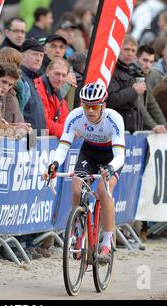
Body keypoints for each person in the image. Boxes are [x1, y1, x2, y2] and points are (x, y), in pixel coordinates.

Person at [45, 82, 126, 263]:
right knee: (76, 189)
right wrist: (55, 163)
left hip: (111, 157)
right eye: (86, 105)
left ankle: (106, 242)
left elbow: (120, 154)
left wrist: (111, 168)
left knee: (104, 193)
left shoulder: (114, 119)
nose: (90, 110)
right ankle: (80, 232)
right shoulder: (75, 116)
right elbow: (63, 146)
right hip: (89, 153)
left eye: (95, 106)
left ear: (103, 105)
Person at [106, 35, 145, 134]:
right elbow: (111, 100)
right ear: (118, 49)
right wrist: (133, 91)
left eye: (133, 50)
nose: (130, 53)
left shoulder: (131, 70)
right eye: (126, 49)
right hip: (116, 128)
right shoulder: (111, 69)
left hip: (131, 128)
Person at [134, 45, 167, 133]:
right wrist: (154, 126)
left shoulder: (146, 76)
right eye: (145, 60)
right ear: (136, 59)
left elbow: (152, 104)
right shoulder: (133, 75)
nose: (148, 65)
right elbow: (139, 106)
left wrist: (165, 127)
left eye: (151, 62)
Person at [35, 58, 70, 138]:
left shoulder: (57, 93)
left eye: (63, 75)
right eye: (57, 74)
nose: (60, 79)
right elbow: (43, 121)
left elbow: (66, 120)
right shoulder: (37, 88)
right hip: (35, 140)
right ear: (47, 72)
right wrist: (67, 132)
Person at [20, 38, 47, 134]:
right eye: (35, 54)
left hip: (37, 141)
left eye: (41, 55)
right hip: (24, 139)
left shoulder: (32, 79)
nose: (39, 59)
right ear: (22, 56)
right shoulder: (19, 78)